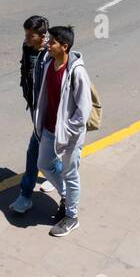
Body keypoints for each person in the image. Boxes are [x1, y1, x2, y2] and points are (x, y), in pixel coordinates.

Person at [33, 25, 92, 238]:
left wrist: (67, 131)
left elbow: (84, 109)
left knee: (70, 174)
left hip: (70, 135)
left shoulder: (77, 72)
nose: (48, 44)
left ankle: (71, 217)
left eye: (53, 42)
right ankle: (65, 195)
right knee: (44, 164)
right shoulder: (49, 63)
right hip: (49, 129)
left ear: (64, 47)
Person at [8, 15, 53, 215]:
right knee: (47, 149)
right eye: (25, 34)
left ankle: (26, 195)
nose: (26, 38)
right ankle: (52, 177)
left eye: (30, 35)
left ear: (42, 36)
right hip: (35, 107)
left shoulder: (52, 51)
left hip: (50, 111)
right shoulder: (27, 47)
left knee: (34, 151)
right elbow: (24, 69)